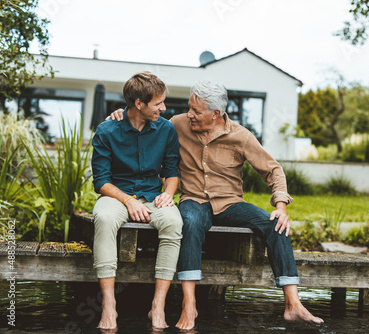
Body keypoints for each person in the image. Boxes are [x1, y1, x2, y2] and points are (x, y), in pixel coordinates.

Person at [110, 80, 323, 330]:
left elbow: (273, 170)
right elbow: (142, 117)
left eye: (196, 111)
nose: (189, 114)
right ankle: (189, 304)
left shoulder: (240, 136)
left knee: (275, 224)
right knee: (188, 222)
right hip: (194, 201)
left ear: (216, 114)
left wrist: (281, 206)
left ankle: (293, 304)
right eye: (189, 108)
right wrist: (118, 115)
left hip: (231, 204)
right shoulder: (177, 125)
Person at [91, 71, 183, 330]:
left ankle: (158, 305)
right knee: (105, 217)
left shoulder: (165, 129)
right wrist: (129, 200)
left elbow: (172, 172)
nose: (164, 108)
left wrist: (168, 193)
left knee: (174, 223)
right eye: (158, 103)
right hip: (117, 196)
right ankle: (109, 305)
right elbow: (101, 181)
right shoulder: (107, 130)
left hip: (154, 196)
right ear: (139, 104)